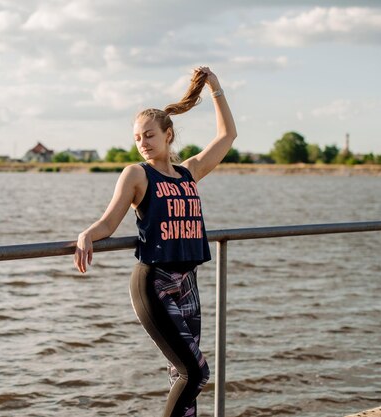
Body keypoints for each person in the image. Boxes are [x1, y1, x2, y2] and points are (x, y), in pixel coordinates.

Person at [74, 66, 236, 417]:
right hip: (155, 282)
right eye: (137, 138)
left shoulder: (188, 173)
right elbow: (110, 221)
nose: (143, 144)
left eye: (149, 136)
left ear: (168, 135)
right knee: (197, 372)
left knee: (181, 375)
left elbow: (227, 135)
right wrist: (88, 233)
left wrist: (214, 87)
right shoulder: (136, 174)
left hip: (188, 281)